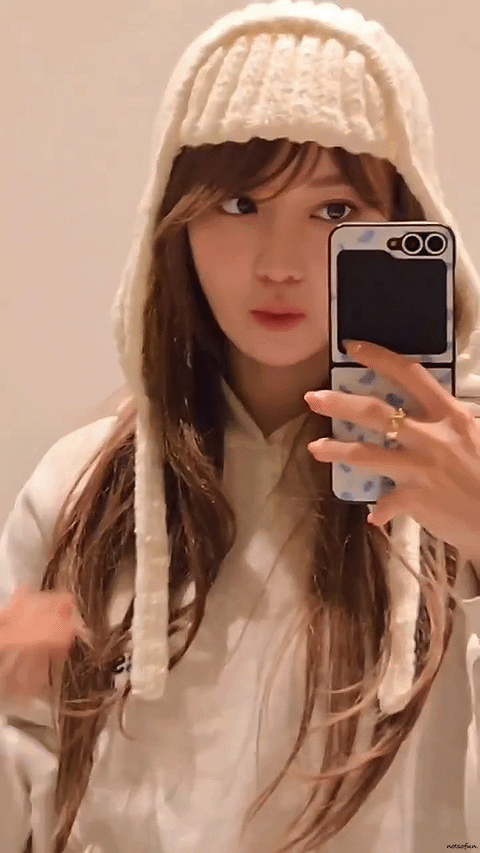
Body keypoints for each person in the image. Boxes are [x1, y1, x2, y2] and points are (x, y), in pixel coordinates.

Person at [2, 2, 480, 851]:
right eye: (237, 201)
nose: (279, 263)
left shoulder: (458, 485)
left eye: (334, 210)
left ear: (403, 223)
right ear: (175, 219)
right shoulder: (83, 489)